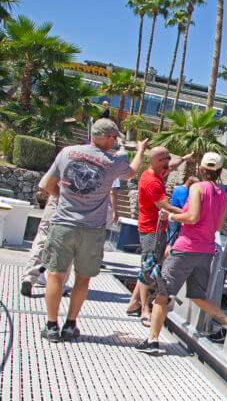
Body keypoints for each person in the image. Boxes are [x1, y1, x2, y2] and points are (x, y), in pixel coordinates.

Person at [38, 118, 147, 342]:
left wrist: (65, 199)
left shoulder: (67, 153)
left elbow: (46, 185)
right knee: (82, 279)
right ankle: (70, 325)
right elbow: (133, 171)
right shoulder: (112, 162)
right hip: (92, 229)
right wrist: (141, 150)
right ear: (107, 138)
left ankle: (51, 326)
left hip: (63, 225)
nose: (115, 142)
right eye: (114, 138)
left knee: (55, 276)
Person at [136, 152, 227, 354]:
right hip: (206, 250)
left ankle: (153, 340)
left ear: (202, 170)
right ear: (220, 171)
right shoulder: (223, 195)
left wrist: (170, 216)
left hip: (185, 248)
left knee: (162, 294)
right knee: (198, 296)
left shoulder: (197, 187)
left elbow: (192, 217)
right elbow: (219, 226)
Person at [128, 147, 193, 326]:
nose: (168, 162)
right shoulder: (152, 182)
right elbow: (164, 205)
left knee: (150, 265)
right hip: (151, 229)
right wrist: (191, 215)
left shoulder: (155, 173)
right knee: (149, 269)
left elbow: (170, 167)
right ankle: (144, 311)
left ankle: (133, 303)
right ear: (157, 160)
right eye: (166, 158)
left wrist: (184, 158)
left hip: (156, 228)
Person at [21, 194, 72, 297]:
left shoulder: (59, 176)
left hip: (53, 210)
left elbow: (44, 186)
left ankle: (29, 278)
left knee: (42, 245)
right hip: (71, 214)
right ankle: (58, 286)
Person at [166, 176, 198, 248]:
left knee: (169, 238)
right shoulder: (184, 191)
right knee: (173, 239)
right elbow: (184, 208)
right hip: (176, 217)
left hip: (171, 216)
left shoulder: (179, 188)